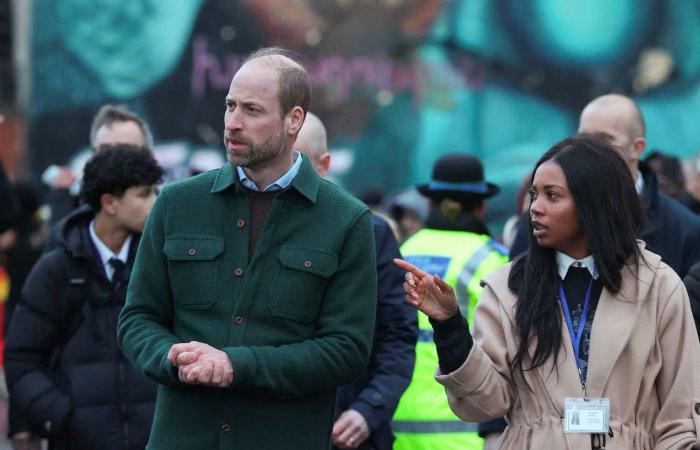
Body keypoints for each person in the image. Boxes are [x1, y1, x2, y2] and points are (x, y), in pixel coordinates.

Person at [117, 47, 377, 450]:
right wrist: (172, 357)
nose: (232, 124)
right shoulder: (176, 203)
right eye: (229, 106)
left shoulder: (347, 221)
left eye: (252, 111)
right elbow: (137, 319)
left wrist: (235, 365)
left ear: (295, 120)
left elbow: (346, 350)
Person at [397, 134, 700, 449]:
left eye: (552, 196)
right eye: (534, 195)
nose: (535, 208)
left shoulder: (659, 287)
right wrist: (449, 325)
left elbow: (681, 416)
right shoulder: (507, 287)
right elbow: (483, 404)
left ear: (593, 203)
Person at [5, 145, 163, 450]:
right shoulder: (57, 269)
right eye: (143, 194)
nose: (154, 203)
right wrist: (61, 414)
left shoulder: (158, 262)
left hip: (152, 441)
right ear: (109, 203)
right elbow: (22, 358)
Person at [296, 112, 418, 450]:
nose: (286, 175)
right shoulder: (249, 229)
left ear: (324, 165)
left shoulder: (369, 232)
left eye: (296, 161)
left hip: (349, 434)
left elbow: (397, 334)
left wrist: (369, 408)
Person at [511, 94, 700, 279]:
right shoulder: (540, 220)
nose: (590, 149)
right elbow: (517, 294)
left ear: (637, 148)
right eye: (583, 139)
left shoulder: (685, 230)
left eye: (604, 140)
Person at [391, 154, 508, 450]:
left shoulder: (402, 253)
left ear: (430, 205)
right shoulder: (491, 259)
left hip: (393, 425)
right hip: (464, 430)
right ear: (481, 207)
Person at [43, 104, 154, 226]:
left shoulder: (166, 211)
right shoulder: (74, 210)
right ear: (93, 155)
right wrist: (62, 197)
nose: (114, 159)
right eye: (105, 150)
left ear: (147, 155)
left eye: (126, 150)